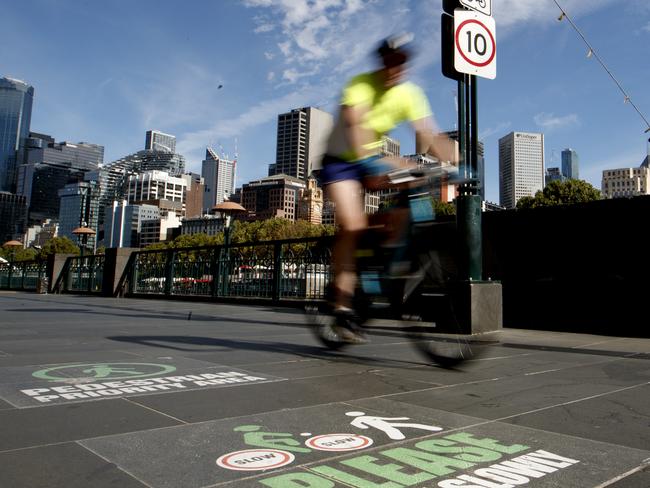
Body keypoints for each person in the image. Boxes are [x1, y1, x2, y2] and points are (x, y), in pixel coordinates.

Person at [320, 33, 457, 343]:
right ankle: (341, 308)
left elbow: (430, 134)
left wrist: (460, 162)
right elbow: (355, 127)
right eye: (391, 61)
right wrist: (384, 163)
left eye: (402, 62)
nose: (396, 67)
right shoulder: (360, 85)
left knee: (414, 185)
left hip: (373, 158)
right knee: (353, 226)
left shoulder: (410, 94)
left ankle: (384, 263)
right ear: (381, 62)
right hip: (341, 161)